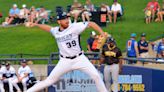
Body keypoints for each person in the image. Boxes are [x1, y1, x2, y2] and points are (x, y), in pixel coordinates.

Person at [26, 12, 108, 92]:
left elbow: (91, 23)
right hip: (65, 61)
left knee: (96, 76)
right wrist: (36, 25)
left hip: (79, 59)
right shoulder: (56, 31)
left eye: (67, 18)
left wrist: (102, 34)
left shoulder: (74, 27)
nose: (67, 20)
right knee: (49, 81)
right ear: (59, 22)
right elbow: (48, 28)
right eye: (64, 19)